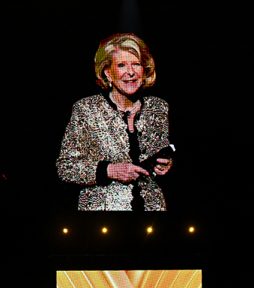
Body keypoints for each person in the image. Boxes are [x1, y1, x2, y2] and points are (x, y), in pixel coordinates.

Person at [57, 32, 174, 211]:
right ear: (108, 73)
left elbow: (159, 155)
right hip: (103, 217)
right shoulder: (87, 109)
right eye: (121, 65)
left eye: (137, 64)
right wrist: (109, 170)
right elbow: (65, 167)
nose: (131, 72)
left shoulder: (158, 107)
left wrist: (165, 166)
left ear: (145, 70)